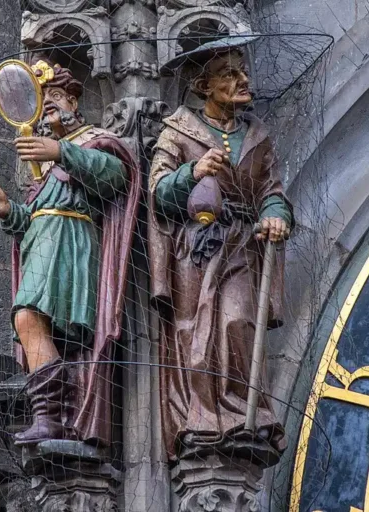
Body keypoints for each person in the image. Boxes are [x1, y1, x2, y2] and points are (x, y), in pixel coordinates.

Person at [0, 60, 140, 446]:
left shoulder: (95, 141)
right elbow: (36, 217)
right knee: (28, 321)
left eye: (56, 96)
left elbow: (116, 177)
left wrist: (61, 151)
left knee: (29, 318)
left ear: (74, 102)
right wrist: (9, 211)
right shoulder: (42, 165)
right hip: (42, 245)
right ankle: (50, 415)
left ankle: (53, 414)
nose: (48, 104)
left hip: (71, 245)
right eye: (41, 99)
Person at [148, 36, 292, 460]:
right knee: (196, 330)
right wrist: (192, 172)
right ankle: (202, 417)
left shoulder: (257, 136)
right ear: (204, 87)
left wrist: (275, 214)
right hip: (196, 245)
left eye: (243, 71)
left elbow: (271, 190)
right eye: (230, 74)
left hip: (243, 244)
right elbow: (158, 193)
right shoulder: (178, 130)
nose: (243, 80)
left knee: (237, 321)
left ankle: (243, 413)